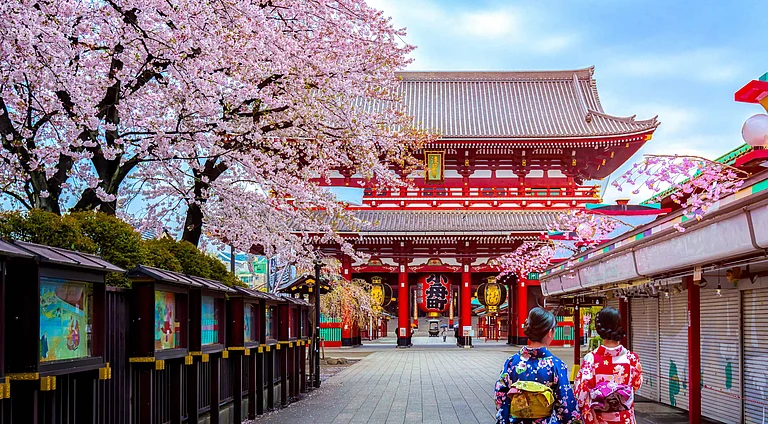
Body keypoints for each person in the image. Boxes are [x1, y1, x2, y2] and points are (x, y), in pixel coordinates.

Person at [494, 307, 580, 424]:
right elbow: (565, 403)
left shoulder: (511, 362)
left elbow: (500, 396)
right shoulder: (556, 365)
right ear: (550, 332)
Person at [574, 307, 642, 424]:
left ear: (599, 328)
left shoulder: (591, 359)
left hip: (599, 419)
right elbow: (636, 385)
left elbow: (580, 394)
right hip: (624, 418)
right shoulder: (632, 359)